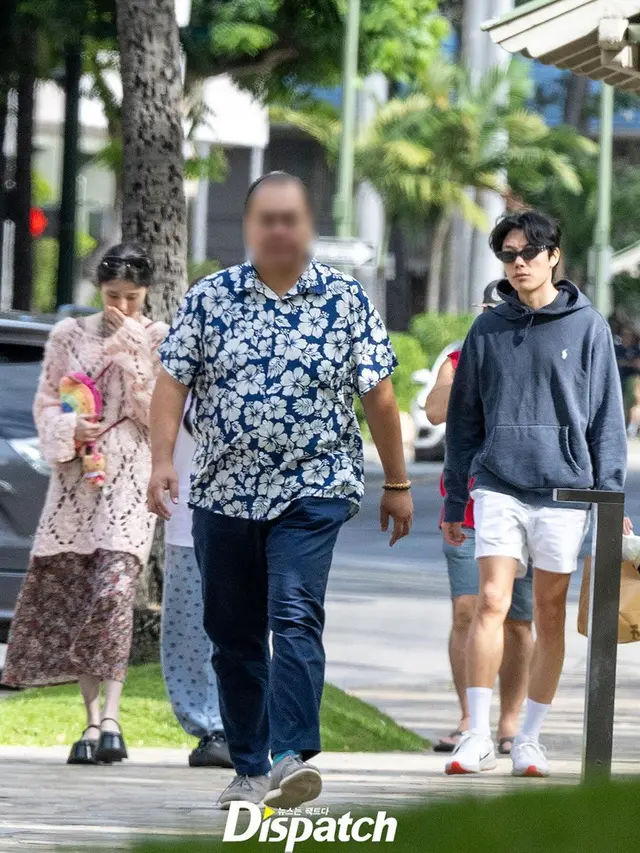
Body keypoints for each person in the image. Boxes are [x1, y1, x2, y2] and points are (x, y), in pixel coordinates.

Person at [148, 171, 413, 809]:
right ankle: (248, 766)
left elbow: (378, 395)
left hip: (313, 485)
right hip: (223, 491)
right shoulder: (212, 298)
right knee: (233, 632)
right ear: (249, 227)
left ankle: (293, 755)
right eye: (266, 219)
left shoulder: (344, 301)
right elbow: (171, 383)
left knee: (294, 612)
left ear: (307, 225)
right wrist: (161, 462)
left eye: (289, 218)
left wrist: (398, 482)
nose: (278, 230)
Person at [441, 210, 627, 778]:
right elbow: (463, 419)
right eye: (508, 255)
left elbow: (606, 419)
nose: (518, 263)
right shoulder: (487, 329)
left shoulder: (588, 326)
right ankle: (475, 735)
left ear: (553, 257)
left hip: (566, 491)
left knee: (549, 613)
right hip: (498, 484)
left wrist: (611, 498)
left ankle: (529, 738)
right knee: (491, 602)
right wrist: (454, 501)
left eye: (528, 252)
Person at [2, 243, 168, 765]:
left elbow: (155, 413)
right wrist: (69, 427)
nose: (122, 305)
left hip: (129, 478)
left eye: (133, 297)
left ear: (146, 294)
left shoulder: (157, 337)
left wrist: (132, 347)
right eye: (113, 295)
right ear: (98, 289)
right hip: (77, 479)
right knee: (78, 595)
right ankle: (92, 724)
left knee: (114, 594)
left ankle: (115, 717)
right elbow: (46, 400)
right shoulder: (67, 335)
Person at [426, 282, 533, 755]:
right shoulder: (462, 356)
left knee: (517, 619)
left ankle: (510, 721)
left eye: (503, 308)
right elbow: (433, 411)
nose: (495, 315)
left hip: (528, 500)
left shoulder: (537, 351)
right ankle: (472, 719)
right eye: (488, 309)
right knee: (469, 611)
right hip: (467, 504)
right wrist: (470, 364)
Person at [161, 397, 233, 768]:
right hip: (186, 513)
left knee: (242, 625)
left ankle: (238, 724)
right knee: (188, 628)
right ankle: (211, 729)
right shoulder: (178, 352)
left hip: (248, 513)